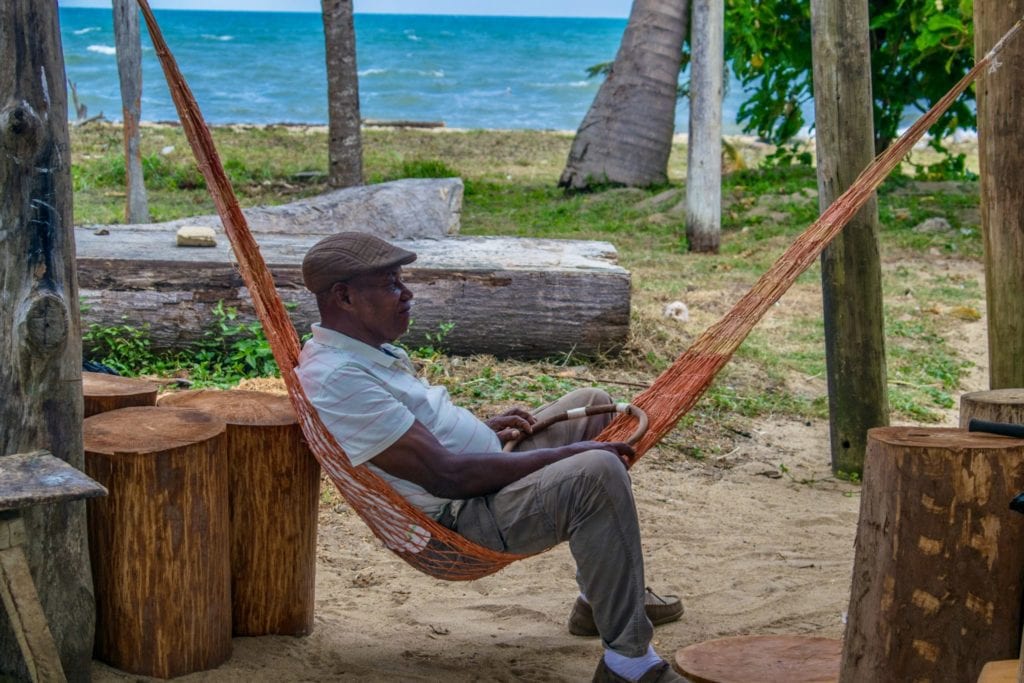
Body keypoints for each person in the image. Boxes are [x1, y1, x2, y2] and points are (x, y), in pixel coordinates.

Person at [296, 232, 687, 683]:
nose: (407, 293)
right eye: (390, 284)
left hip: (480, 479)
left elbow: (426, 432)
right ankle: (630, 664)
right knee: (595, 470)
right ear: (344, 296)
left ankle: (599, 603)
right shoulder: (339, 378)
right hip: (462, 520)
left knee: (591, 403)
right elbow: (446, 476)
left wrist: (484, 429)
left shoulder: (364, 351)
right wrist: (569, 455)